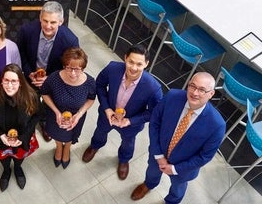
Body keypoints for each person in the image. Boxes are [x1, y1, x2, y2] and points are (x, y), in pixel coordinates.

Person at [130, 72, 225, 204]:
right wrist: (158, 155)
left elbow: (205, 156)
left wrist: (175, 169)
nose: (195, 93)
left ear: (211, 94)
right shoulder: (172, 96)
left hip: (183, 169)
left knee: (178, 187)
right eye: (192, 86)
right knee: (152, 171)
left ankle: (172, 201)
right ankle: (149, 184)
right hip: (158, 153)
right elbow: (155, 121)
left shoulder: (217, 125)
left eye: (202, 90)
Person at [82, 45, 163, 180]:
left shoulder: (153, 88)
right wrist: (107, 108)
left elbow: (155, 112)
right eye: (131, 62)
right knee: (100, 131)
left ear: (146, 64)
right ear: (125, 58)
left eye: (139, 64)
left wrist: (130, 121)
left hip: (131, 123)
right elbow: (100, 85)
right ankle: (95, 146)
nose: (133, 67)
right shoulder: (113, 68)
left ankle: (124, 159)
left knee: (128, 142)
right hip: (107, 114)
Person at [17, 0, 79, 142]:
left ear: (61, 21)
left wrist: (50, 78)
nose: (48, 26)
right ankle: (28, 120)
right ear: (40, 18)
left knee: (48, 103)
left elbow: (69, 66)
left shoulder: (71, 41)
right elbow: (20, 52)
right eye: (45, 21)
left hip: (53, 78)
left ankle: (44, 122)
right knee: (26, 100)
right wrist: (28, 72)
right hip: (30, 75)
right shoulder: (27, 30)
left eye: (53, 22)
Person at [0, 64, 40, 192]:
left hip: (23, 136)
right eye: (6, 80)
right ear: (2, 80)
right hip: (0, 137)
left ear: (20, 82)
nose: (9, 85)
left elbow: (37, 116)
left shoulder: (31, 96)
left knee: (19, 156)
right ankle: (6, 170)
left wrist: (24, 136)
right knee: (3, 157)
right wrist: (0, 134)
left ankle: (18, 168)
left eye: (14, 81)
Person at [40, 47, 96, 169]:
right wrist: (56, 111)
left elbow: (91, 99)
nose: (72, 73)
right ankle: (59, 147)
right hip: (56, 114)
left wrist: (80, 114)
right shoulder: (54, 78)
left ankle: (67, 148)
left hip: (76, 116)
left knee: (71, 135)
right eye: (69, 68)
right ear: (64, 65)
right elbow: (44, 93)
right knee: (56, 133)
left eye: (77, 69)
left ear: (83, 68)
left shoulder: (90, 82)